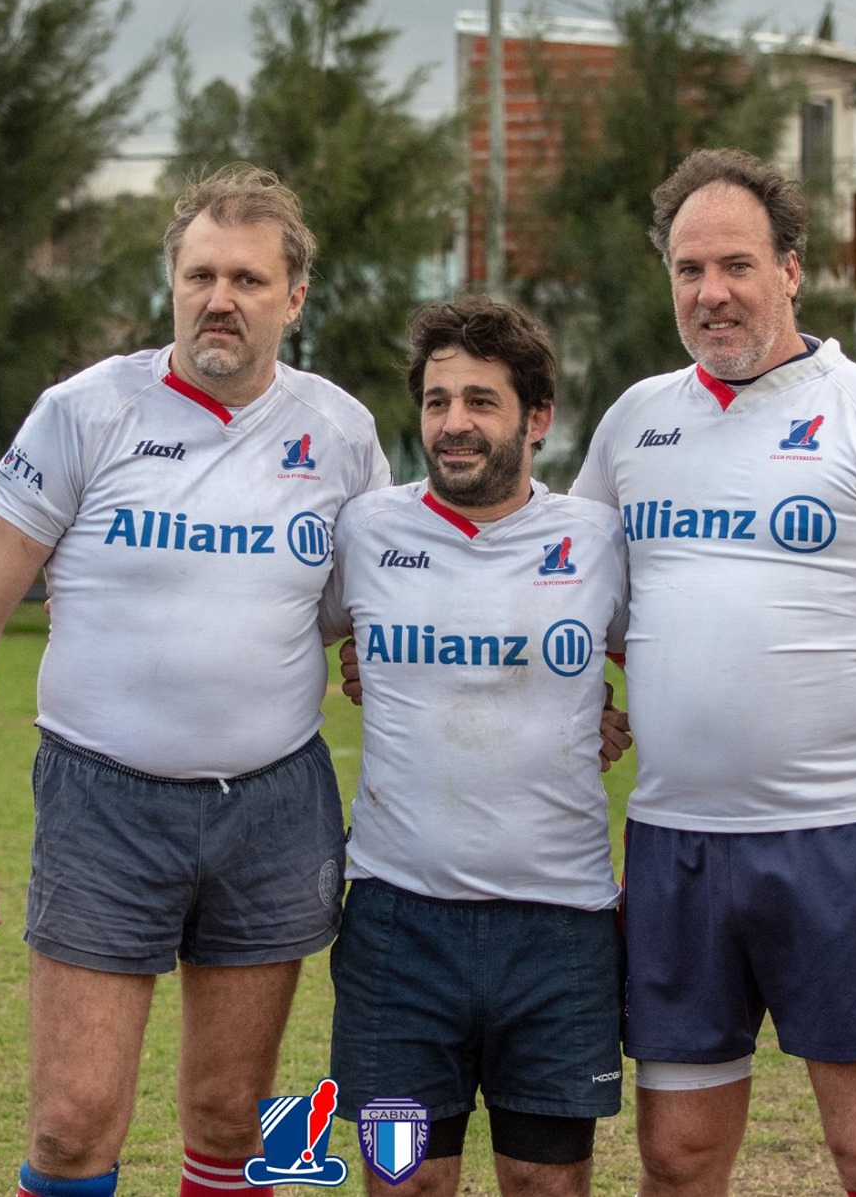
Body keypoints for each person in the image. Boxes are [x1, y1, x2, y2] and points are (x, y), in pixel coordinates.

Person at [569, 148, 856, 1197]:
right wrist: (581, 686)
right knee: (678, 1159)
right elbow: (576, 603)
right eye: (688, 269)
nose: (710, 292)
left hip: (840, 843)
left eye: (735, 265)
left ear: (790, 270)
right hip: (676, 846)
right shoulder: (634, 422)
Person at [0, 165, 390, 1197]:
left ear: (294, 298)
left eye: (248, 280)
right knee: (70, 1124)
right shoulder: (84, 412)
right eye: (199, 275)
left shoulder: (343, 435)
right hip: (104, 803)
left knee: (231, 1118)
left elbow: (371, 612)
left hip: (272, 809)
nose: (220, 298)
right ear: (171, 284)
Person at [321, 297, 630, 1197]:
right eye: (437, 400)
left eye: (481, 401)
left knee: (543, 1182)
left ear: (538, 418)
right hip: (398, 927)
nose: (454, 422)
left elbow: (684, 653)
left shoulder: (597, 538)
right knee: (405, 1180)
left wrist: (610, 712)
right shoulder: (366, 530)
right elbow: (267, 622)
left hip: (560, 927)